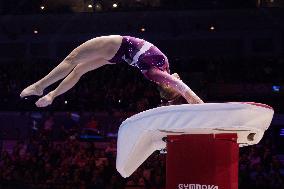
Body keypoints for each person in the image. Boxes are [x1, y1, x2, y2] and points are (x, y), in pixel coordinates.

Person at [20, 35, 203, 107]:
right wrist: (171, 103)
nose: (177, 78)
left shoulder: (155, 75)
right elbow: (175, 90)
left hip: (118, 45)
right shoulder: (163, 70)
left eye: (174, 85)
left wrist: (198, 104)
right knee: (78, 71)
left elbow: (181, 87)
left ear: (166, 84)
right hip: (118, 57)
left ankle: (39, 86)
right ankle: (52, 95)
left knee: (73, 58)